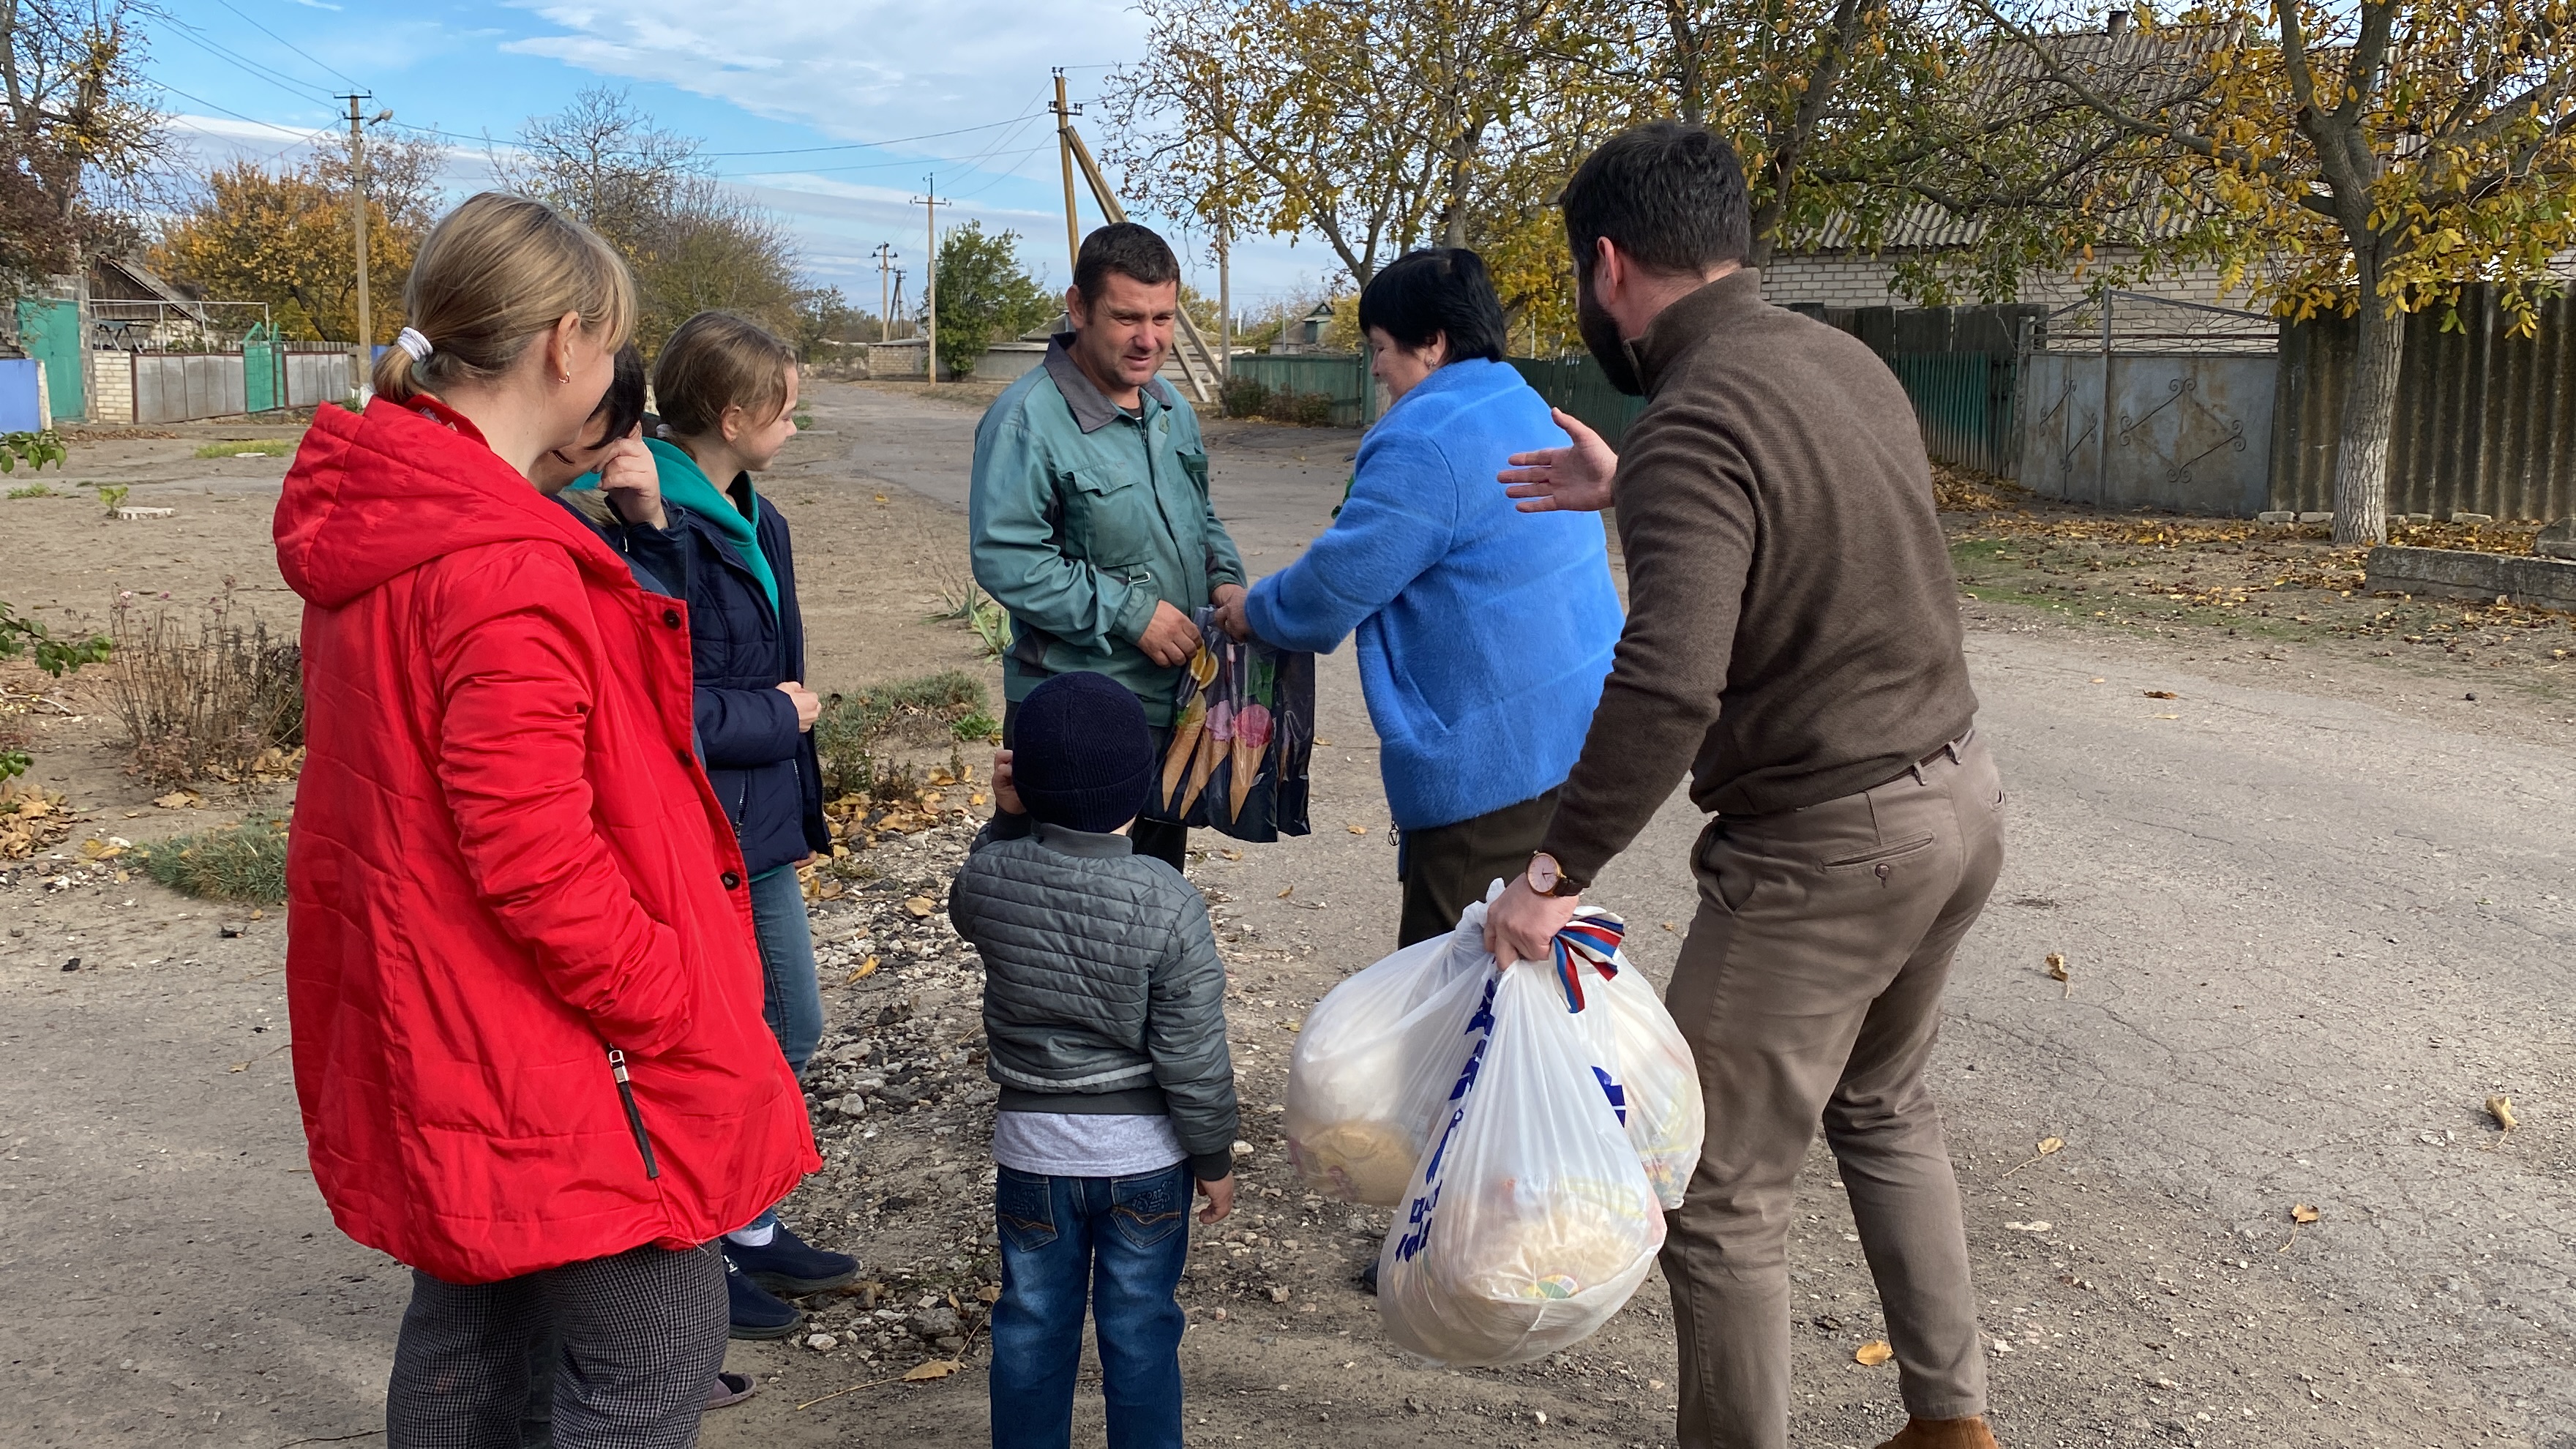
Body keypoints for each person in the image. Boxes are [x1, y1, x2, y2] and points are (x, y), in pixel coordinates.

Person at [1481, 123, 2008, 1449]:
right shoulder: (1839, 360)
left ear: (1608, 265)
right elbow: (1809, 521)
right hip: (1959, 799)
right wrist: (1634, 488)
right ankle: (1953, 1425)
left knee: (1713, 1194)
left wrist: (1554, 875)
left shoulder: (1690, 425)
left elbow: (1668, 685)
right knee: (1883, 1106)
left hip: (1830, 854)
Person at [274, 191, 817, 1449]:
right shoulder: (499, 561)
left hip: (447, 1022)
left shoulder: (401, 521)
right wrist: (679, 1003)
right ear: (566, 344)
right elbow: (538, 857)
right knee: (656, 1348)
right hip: (554, 1048)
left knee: (479, 1334)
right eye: (615, 344)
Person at [1214, 247, 1623, 947]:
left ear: (1432, 343)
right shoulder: (1517, 398)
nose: (1374, 367)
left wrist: (1252, 611)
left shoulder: (1426, 437)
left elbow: (1337, 585)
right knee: (1526, 975)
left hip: (1494, 761)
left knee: (1458, 987)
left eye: (1379, 348)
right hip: (1573, 727)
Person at [946, 670, 1239, 1449]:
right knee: (1140, 1330)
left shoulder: (991, 875)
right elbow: (1193, 1049)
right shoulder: (1166, 897)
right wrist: (1213, 1152)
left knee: (1031, 1324)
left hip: (1032, 1154)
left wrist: (1004, 822)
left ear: (1024, 782)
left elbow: (964, 906)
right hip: (1143, 1158)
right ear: (1141, 788)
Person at [645, 310, 857, 1341]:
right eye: (785, 408)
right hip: (696, 833)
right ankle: (699, 1245)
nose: (794, 424)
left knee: (785, 1025)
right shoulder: (652, 525)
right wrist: (777, 718)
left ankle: (747, 1221)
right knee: (738, 1034)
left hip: (755, 823)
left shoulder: (750, 514)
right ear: (734, 415)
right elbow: (647, 699)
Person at [970, 222, 1248, 872]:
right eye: (1126, 317)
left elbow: (1199, 514)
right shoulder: (1025, 420)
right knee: (1065, 922)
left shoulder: (1169, 406)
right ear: (1078, 307)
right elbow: (1007, 559)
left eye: (1163, 317)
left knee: (1147, 906)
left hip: (1167, 705)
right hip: (1076, 716)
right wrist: (1131, 612)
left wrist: (1226, 581)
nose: (1148, 339)